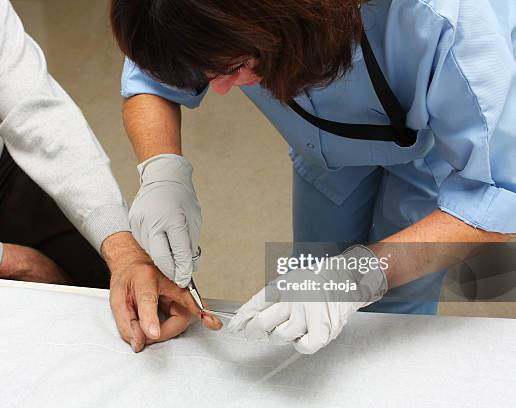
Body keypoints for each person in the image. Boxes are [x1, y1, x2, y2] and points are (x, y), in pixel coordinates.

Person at [110, 0, 515, 354]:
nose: (217, 89)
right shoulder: (191, 15)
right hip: (322, 154)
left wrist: (360, 275)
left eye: (233, 67)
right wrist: (162, 172)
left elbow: (500, 200)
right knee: (309, 276)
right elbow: (151, 78)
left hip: (434, 148)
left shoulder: (446, 21)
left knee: (394, 311)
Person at [0, 0, 221, 353]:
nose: (221, 85)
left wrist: (124, 250)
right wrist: (11, 263)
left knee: (143, 308)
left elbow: (38, 115)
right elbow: (150, 81)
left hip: (1, 180)